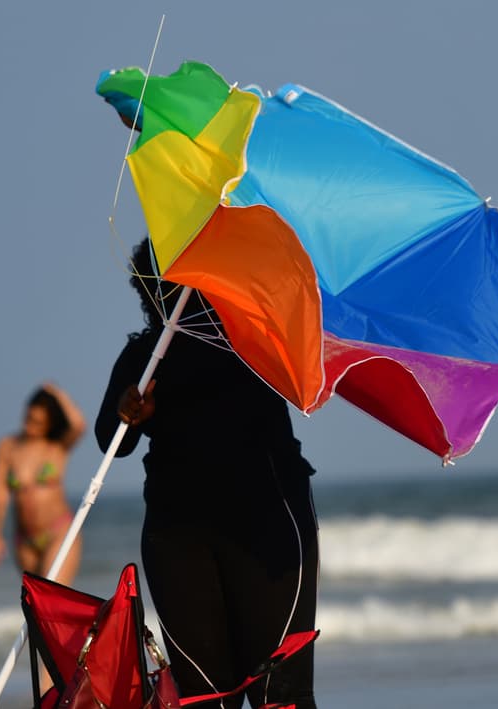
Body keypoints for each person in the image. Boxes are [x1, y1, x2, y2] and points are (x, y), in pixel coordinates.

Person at [95, 238, 319, 709]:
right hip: (180, 535)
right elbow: (110, 439)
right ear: (148, 291)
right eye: (159, 285)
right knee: (203, 696)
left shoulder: (255, 338)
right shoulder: (144, 357)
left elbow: (305, 379)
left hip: (268, 522)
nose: (173, 294)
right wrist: (128, 410)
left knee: (280, 692)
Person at [0, 383, 86, 582]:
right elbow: (0, 494)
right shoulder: (7, 446)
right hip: (25, 540)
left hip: (58, 532)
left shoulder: (57, 446)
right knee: (37, 608)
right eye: (29, 419)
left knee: (52, 593)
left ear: (50, 424)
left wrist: (57, 393)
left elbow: (79, 424)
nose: (30, 426)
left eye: (39, 423)